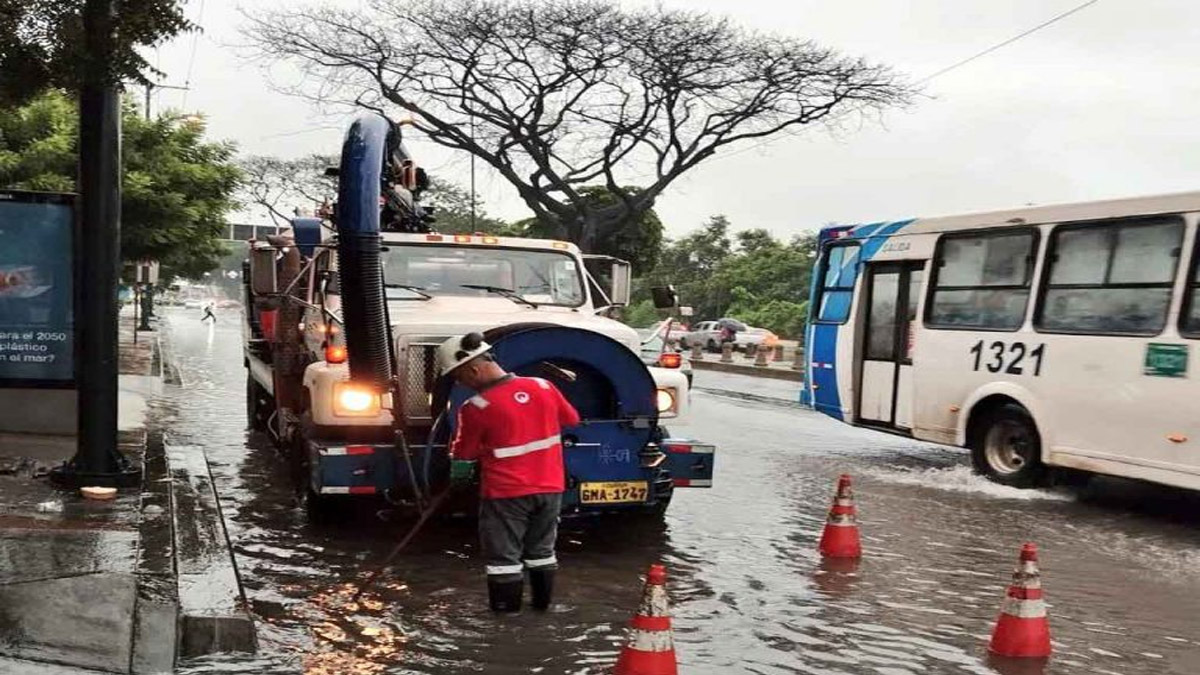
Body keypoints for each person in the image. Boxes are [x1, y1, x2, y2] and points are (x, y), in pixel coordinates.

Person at [438, 332, 580, 613]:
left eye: (459, 376)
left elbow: (463, 457)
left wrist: (458, 477)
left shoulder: (476, 407)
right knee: (542, 552)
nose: (460, 383)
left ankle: (506, 622)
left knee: (503, 559)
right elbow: (572, 420)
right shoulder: (544, 386)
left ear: (474, 368)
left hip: (506, 494)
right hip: (550, 488)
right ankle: (542, 610)